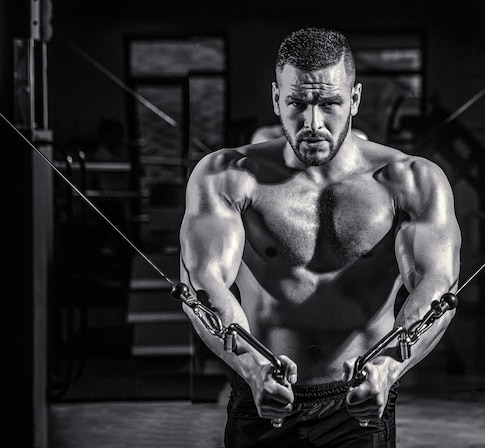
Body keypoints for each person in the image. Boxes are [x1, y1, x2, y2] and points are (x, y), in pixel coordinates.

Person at [179, 27, 461, 448]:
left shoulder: (410, 182)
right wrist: (253, 366)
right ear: (277, 99)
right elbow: (203, 281)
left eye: (329, 103)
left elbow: (437, 285)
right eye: (298, 103)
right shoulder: (227, 177)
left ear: (355, 100)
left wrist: (389, 366)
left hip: (360, 402)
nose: (313, 122)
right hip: (261, 394)